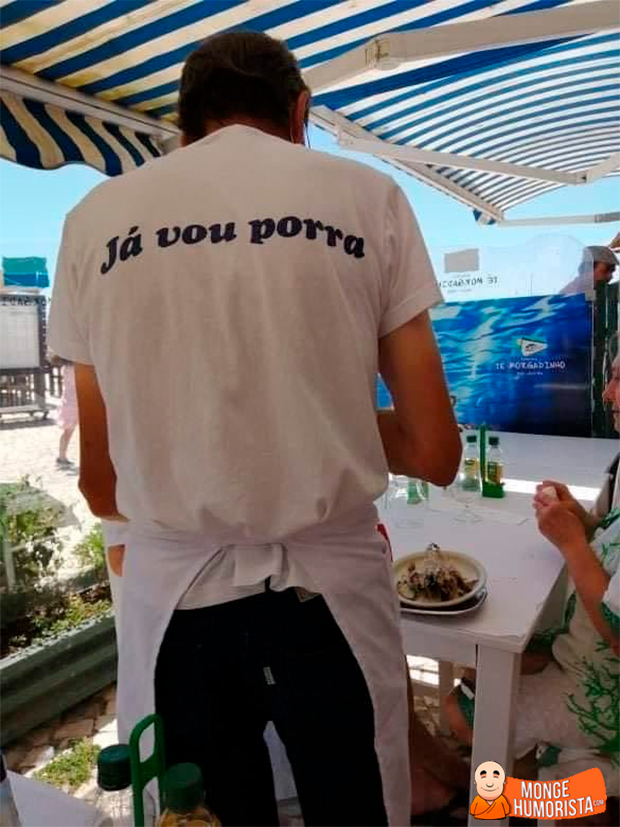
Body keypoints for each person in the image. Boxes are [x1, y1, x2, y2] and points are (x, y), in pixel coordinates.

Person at [48, 30, 461, 826]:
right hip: (332, 604)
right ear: (300, 113)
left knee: (208, 815)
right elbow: (435, 450)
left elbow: (102, 484)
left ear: (183, 125)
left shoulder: (94, 220)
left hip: (176, 611)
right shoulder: (367, 197)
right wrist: (315, 417)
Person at [444, 336, 620, 796]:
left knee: (460, 711)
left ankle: (518, 802)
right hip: (580, 652)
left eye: (619, 380)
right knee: (482, 668)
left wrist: (572, 543)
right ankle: (522, 775)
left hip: (604, 694)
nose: (607, 393)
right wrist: (583, 523)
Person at [54, 358, 78, 468]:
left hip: (68, 401)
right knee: (69, 432)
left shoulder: (65, 368)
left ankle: (61, 456)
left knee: (67, 432)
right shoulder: (76, 369)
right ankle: (62, 457)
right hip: (75, 401)